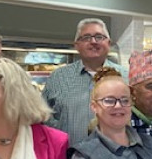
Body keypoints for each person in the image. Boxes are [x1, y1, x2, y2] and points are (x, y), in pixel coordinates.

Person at [43, 18, 118, 146]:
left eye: (99, 37)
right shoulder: (58, 77)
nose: (93, 42)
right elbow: (42, 115)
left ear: (109, 43)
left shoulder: (124, 77)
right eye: (86, 37)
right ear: (76, 45)